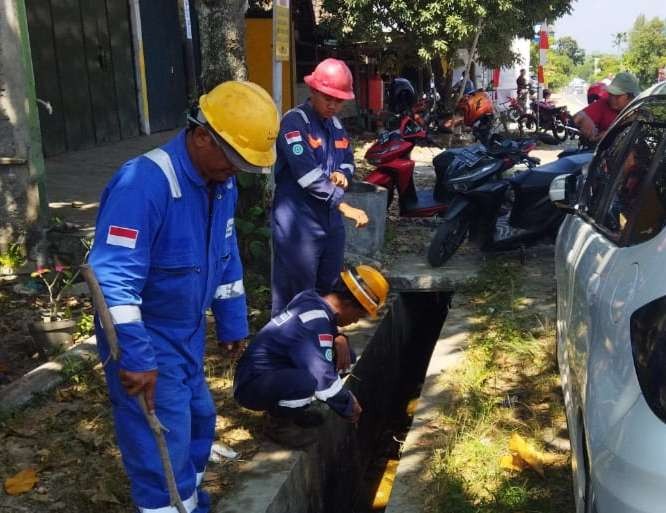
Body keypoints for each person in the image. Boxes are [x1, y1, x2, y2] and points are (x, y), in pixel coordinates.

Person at [88, 81, 280, 513]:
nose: (236, 171)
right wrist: (136, 358)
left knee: (198, 423)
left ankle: (189, 504)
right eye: (233, 160)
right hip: (149, 339)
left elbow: (226, 256)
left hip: (188, 337)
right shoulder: (143, 184)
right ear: (201, 136)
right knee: (163, 449)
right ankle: (166, 506)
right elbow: (112, 280)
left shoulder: (219, 183)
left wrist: (232, 322)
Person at [234, 265, 389, 448]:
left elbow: (317, 335)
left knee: (345, 357)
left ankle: (294, 410)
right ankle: (278, 425)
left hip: (272, 374)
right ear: (347, 304)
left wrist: (339, 337)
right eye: (358, 315)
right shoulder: (314, 322)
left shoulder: (311, 300)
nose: (355, 321)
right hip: (252, 385)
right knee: (307, 381)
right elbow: (322, 378)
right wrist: (347, 405)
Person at [271, 58, 369, 315]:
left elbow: (348, 159)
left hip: (330, 223)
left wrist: (342, 173)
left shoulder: (336, 126)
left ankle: (322, 344)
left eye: (339, 100)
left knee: (328, 291)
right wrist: (345, 206)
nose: (333, 105)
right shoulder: (294, 122)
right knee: (297, 295)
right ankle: (287, 349)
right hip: (299, 223)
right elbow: (308, 176)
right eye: (328, 98)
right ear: (313, 90)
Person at [573, 71, 641, 144]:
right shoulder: (604, 103)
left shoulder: (641, 111)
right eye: (610, 93)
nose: (612, 98)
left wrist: (610, 135)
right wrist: (582, 117)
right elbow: (577, 118)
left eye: (617, 96)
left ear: (630, 97)